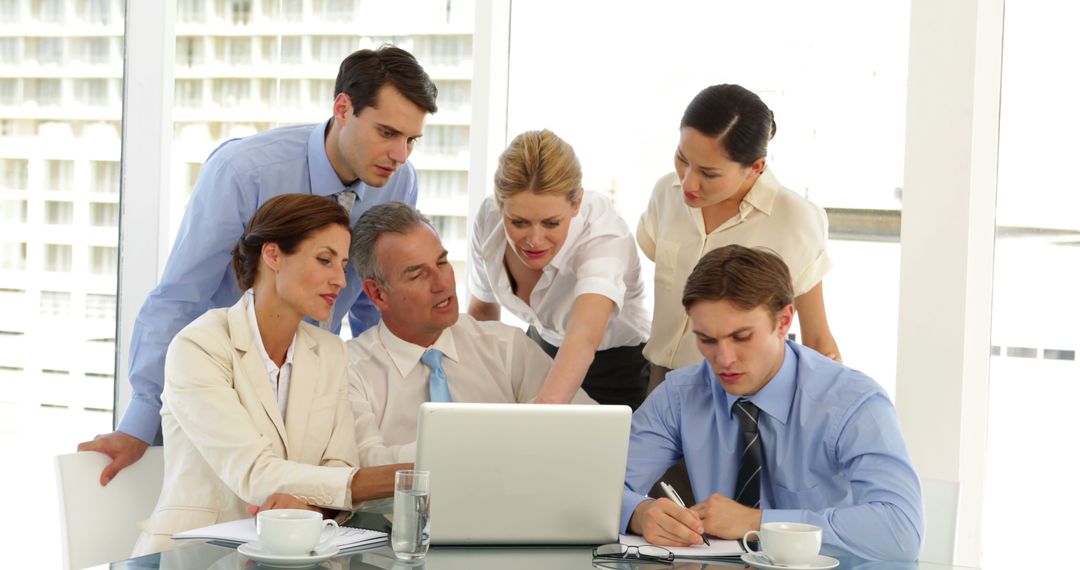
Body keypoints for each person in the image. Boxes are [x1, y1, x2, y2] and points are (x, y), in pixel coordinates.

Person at [78, 45, 438, 485]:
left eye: (411, 139)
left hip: (315, 388)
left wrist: (386, 397)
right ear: (343, 108)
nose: (400, 154)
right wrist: (139, 422)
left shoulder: (400, 180)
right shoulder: (243, 171)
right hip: (227, 380)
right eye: (387, 133)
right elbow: (179, 296)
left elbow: (371, 302)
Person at [132, 194, 408, 555]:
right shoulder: (199, 346)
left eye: (342, 265)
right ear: (273, 255)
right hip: (195, 552)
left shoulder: (330, 351)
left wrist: (312, 508)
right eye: (324, 260)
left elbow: (340, 462)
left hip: (294, 551)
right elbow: (256, 474)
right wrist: (402, 478)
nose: (340, 280)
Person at [621, 245, 923, 562]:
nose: (723, 360)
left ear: (784, 321)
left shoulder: (852, 402)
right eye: (707, 340)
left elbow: (900, 531)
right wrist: (640, 513)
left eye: (741, 337)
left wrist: (757, 523)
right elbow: (597, 492)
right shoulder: (680, 395)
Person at [345, 202, 595, 467]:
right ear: (377, 294)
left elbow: (589, 426)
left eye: (442, 262)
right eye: (418, 275)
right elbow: (367, 463)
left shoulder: (506, 346)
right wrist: (486, 443)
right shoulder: (350, 369)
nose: (442, 284)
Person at [638, 84, 840, 391]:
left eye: (708, 173)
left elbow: (817, 339)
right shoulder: (666, 193)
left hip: (739, 390)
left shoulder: (794, 218)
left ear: (756, 167)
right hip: (659, 383)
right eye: (682, 158)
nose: (688, 181)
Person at [467, 129, 651, 408]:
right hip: (539, 350)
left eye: (552, 223)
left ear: (576, 203)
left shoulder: (603, 235)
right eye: (518, 222)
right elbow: (482, 310)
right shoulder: (489, 218)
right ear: (500, 205)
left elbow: (583, 337)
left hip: (614, 369)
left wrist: (536, 422)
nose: (534, 240)